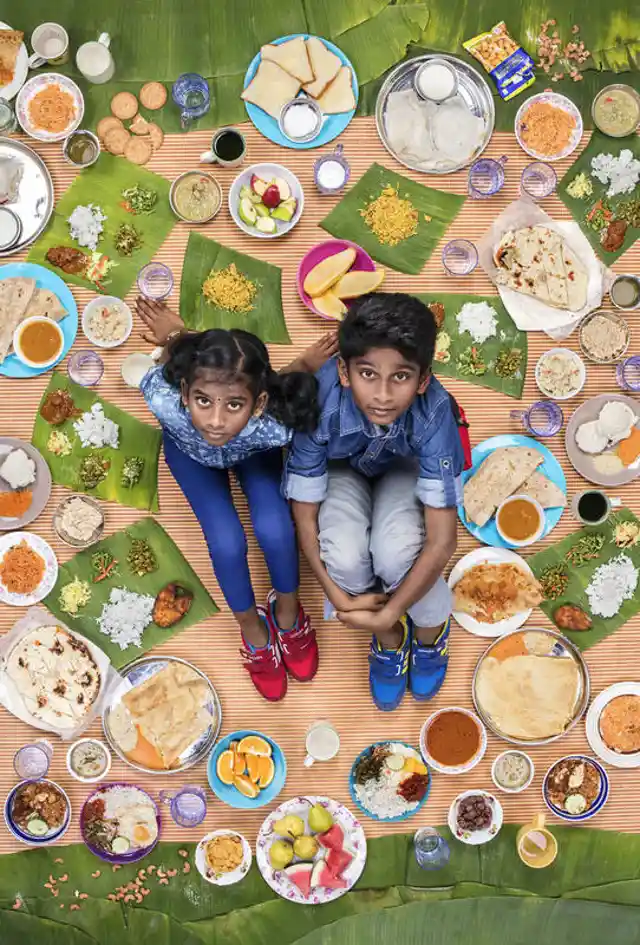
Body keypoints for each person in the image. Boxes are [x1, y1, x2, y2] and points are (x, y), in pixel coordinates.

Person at [136, 297, 337, 702]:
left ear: (258, 404)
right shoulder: (161, 399)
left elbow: (277, 387)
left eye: (234, 405)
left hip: (252, 450)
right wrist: (176, 335)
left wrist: (303, 365)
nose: (215, 420)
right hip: (190, 454)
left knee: (276, 528)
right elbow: (180, 367)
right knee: (227, 542)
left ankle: (287, 610)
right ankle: (251, 626)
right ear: (184, 392)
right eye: (203, 400)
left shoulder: (274, 426)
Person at [284, 293, 466, 712]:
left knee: (398, 551)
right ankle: (388, 639)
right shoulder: (318, 399)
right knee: (345, 557)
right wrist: (336, 595)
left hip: (404, 469)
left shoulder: (435, 411)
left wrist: (394, 608)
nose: (382, 394)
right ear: (344, 372)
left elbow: (442, 542)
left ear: (422, 380)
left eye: (400, 377)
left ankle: (428, 633)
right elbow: (304, 510)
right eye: (368, 373)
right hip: (341, 468)